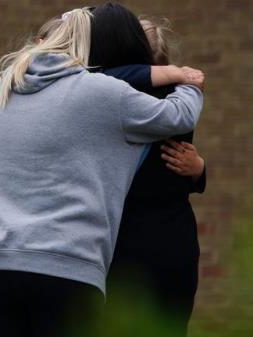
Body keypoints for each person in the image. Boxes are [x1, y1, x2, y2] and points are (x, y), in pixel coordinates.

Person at [0, 7, 205, 337]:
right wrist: (188, 81)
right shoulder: (97, 93)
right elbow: (179, 116)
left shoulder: (5, 87)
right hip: (65, 264)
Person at [88, 4, 206, 337]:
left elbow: (93, 78)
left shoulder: (107, 95)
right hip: (173, 238)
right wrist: (200, 170)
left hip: (123, 242)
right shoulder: (182, 94)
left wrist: (198, 169)